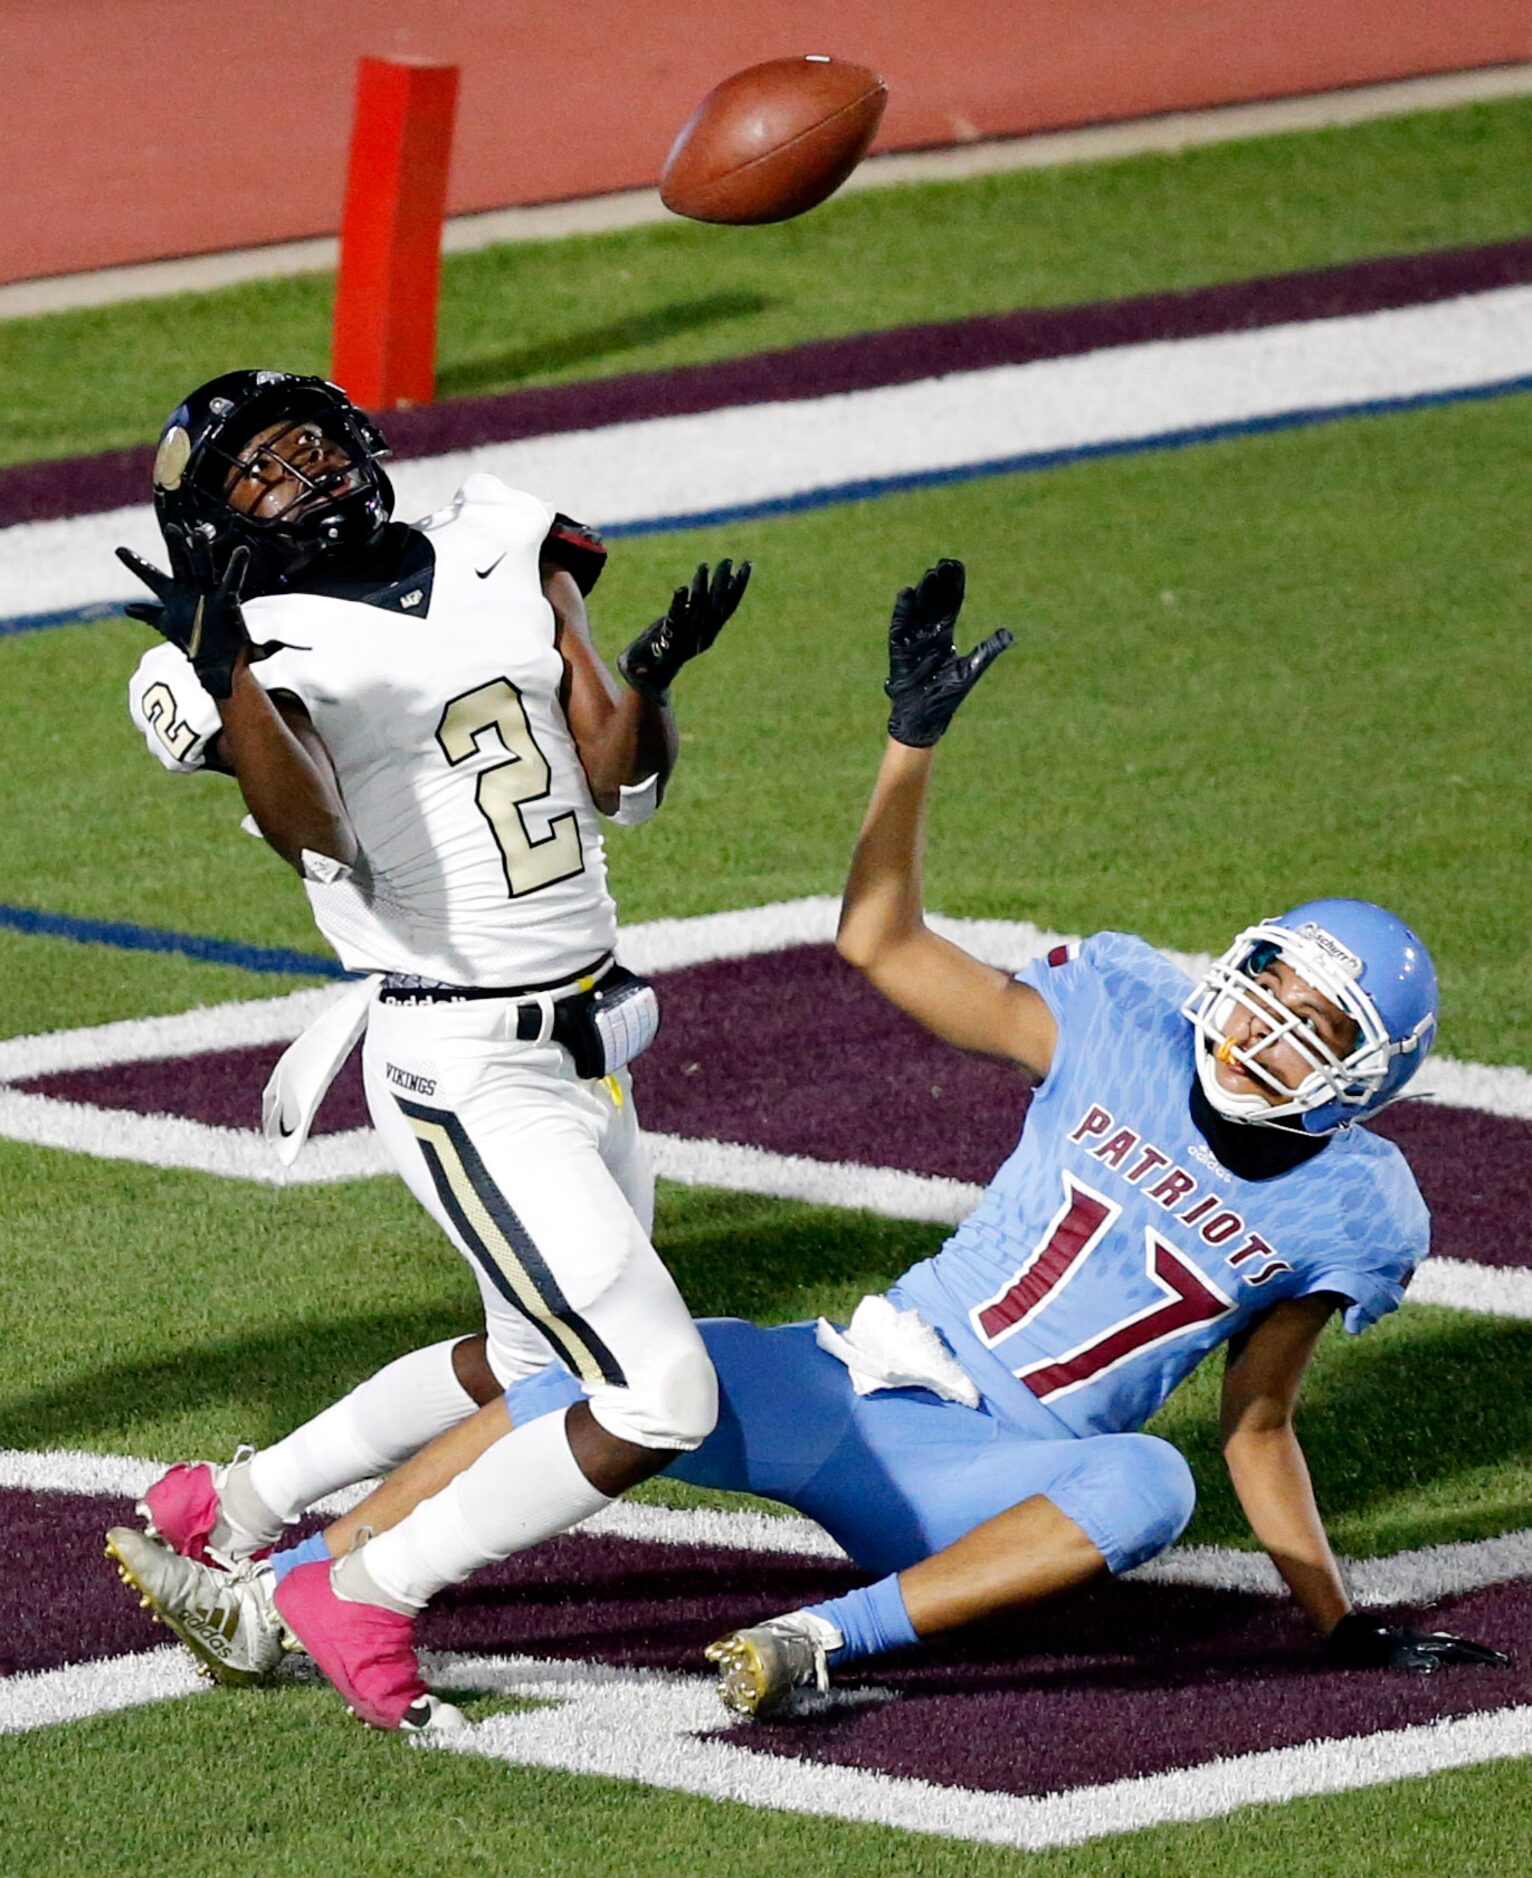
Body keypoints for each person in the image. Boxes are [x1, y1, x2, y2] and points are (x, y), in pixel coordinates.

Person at [110, 558, 1511, 1723]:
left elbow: (1257, 1424)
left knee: (1149, 1478)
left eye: (1311, 1029)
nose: (1265, 1028)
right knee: (594, 1377)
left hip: (987, 1480)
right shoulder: (1126, 1022)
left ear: (1360, 1082)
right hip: (857, 1377)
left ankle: (823, 1638)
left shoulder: (1355, 1207)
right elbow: (881, 940)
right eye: (1271, 988)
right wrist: (913, 741)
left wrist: (1335, 1621)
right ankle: (279, 1582)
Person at [107, 370, 751, 1731]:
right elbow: (317, 834)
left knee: (534, 1361)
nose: (305, 470)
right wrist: (229, 678)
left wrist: (648, 680)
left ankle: (234, 1504)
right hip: (461, 1054)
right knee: (658, 1391)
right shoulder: (228, 648)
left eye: (311, 441)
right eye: (261, 465)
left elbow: (620, 782)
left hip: (586, 1030)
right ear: (212, 520)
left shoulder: (504, 532)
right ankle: (367, 1589)